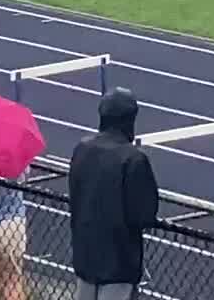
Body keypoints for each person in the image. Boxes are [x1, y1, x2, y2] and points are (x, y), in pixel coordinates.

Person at [69, 88, 161, 300]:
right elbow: (144, 215)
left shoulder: (82, 149)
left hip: (85, 256)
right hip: (118, 264)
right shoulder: (133, 159)